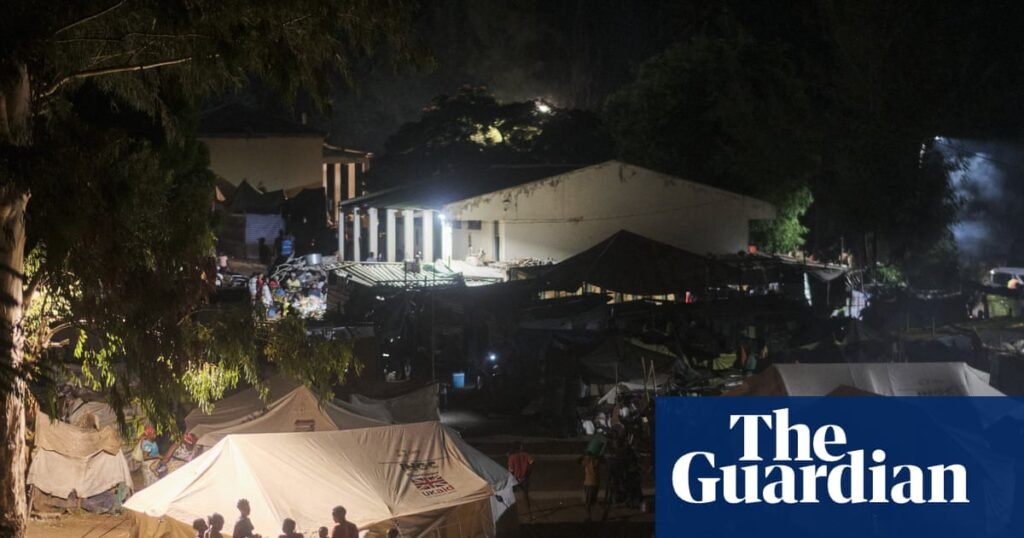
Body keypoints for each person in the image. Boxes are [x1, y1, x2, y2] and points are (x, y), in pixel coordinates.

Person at [507, 443, 534, 518]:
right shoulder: (525, 455)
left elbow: (511, 470)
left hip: (515, 479)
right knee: (526, 497)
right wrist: (528, 474)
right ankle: (529, 514)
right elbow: (532, 463)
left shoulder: (512, 457)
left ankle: (511, 514)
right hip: (524, 478)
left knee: (511, 496)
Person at [579, 451, 600, 522]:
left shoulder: (586, 461)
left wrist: (583, 456)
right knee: (592, 502)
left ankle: (589, 517)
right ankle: (592, 516)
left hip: (588, 484)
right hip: (595, 483)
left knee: (587, 503)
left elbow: (578, 461)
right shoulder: (595, 461)